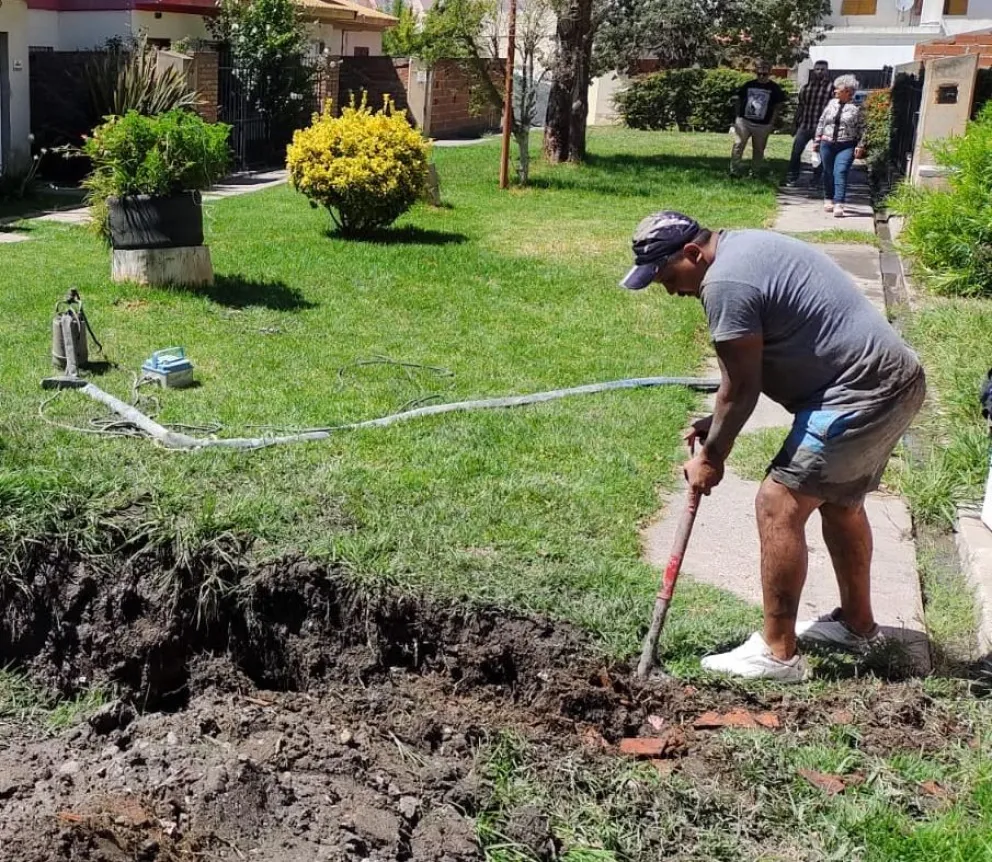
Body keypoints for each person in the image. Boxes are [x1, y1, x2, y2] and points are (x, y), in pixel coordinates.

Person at [620, 212, 926, 682]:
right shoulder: (741, 247)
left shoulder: (725, 284)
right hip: (892, 379)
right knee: (839, 504)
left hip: (860, 393)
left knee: (778, 502)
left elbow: (740, 390)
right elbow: (746, 375)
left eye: (665, 276)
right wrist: (717, 423)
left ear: (692, 254)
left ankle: (778, 654)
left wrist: (711, 459)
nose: (669, 290)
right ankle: (857, 626)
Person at [814, 75, 866, 218]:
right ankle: (828, 198)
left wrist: (861, 145)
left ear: (848, 91)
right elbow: (822, 121)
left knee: (841, 171)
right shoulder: (831, 103)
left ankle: (839, 202)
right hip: (827, 143)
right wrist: (817, 141)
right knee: (828, 171)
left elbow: (863, 128)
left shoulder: (857, 108)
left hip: (846, 144)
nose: (835, 90)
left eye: (839, 88)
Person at [730, 61, 786, 178]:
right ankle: (734, 171)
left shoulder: (774, 88)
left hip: (763, 124)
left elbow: (778, 107)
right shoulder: (748, 85)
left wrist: (771, 123)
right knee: (738, 144)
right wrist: (737, 117)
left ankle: (754, 173)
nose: (761, 76)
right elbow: (738, 99)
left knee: (759, 149)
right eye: (758, 73)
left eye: (764, 74)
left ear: (769, 73)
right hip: (744, 121)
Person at [787, 60, 833, 187]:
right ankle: (792, 177)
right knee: (796, 152)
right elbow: (800, 107)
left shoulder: (832, 88)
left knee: (819, 154)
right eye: (817, 69)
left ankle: (816, 180)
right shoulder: (806, 88)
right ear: (813, 70)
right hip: (805, 125)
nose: (820, 72)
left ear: (827, 71)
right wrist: (794, 123)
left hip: (822, 128)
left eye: (823, 69)